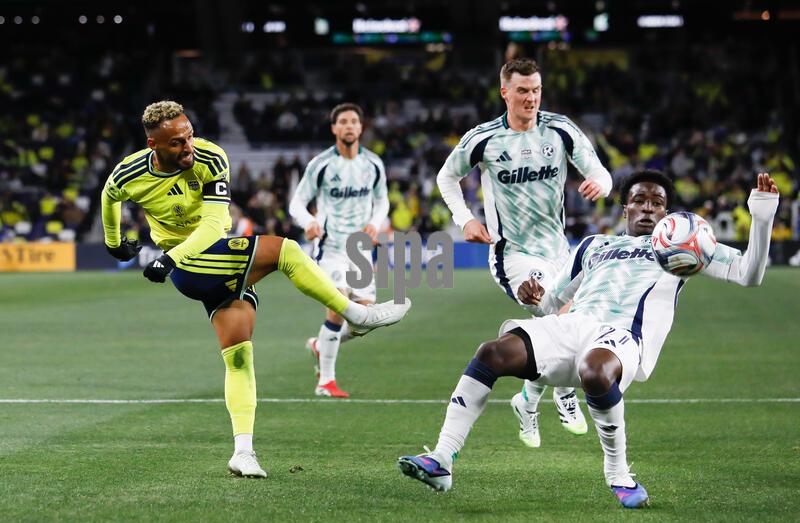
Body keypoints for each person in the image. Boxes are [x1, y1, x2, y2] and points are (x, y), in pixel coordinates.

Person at [398, 170, 778, 508]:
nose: (648, 208)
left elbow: (749, 273)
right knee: (492, 352)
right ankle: (442, 459)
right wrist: (536, 297)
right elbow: (553, 302)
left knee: (594, 370)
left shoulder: (681, 246)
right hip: (574, 326)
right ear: (624, 207)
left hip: (625, 337)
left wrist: (761, 214)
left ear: (667, 214)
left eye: (657, 203)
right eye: (639, 200)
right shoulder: (593, 246)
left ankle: (618, 473)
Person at [101, 101, 410, 479]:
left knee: (240, 357)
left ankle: (242, 452)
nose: (188, 147)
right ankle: (358, 314)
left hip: (203, 256)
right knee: (286, 250)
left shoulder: (211, 158)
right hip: (192, 269)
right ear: (153, 145)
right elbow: (110, 195)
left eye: (189, 136)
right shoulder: (129, 173)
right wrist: (114, 241)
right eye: (177, 143)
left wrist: (167, 258)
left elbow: (216, 223)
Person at [436, 58, 614, 446]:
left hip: (559, 252)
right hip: (513, 254)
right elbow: (446, 176)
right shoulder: (483, 139)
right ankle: (563, 393)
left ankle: (528, 399)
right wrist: (464, 219)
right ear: (505, 92)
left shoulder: (560, 130)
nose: (530, 98)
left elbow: (601, 172)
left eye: (535, 90)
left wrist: (601, 185)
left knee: (577, 320)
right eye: (522, 91)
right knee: (562, 313)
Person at [289, 103, 390, 398]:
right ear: (334, 128)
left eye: (353, 122)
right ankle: (326, 382)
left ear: (361, 128)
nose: (349, 126)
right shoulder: (321, 165)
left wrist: (375, 223)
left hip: (359, 251)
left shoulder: (373, 164)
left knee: (365, 319)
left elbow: (382, 200)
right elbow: (297, 202)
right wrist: (308, 221)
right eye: (343, 122)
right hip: (331, 247)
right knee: (338, 307)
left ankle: (321, 345)